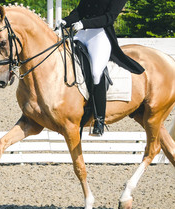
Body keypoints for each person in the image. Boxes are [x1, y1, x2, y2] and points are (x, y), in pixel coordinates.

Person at [57, 0, 145, 136]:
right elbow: (80, 11)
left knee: (96, 72)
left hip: (100, 35)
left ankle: (99, 120)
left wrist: (84, 23)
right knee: (64, 60)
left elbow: (109, 18)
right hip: (82, 34)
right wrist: (65, 21)